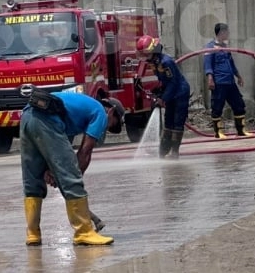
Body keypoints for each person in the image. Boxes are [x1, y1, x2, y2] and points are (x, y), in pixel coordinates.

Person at [20, 90, 126, 247]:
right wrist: (71, 179)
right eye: (112, 124)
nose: (106, 128)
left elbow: (57, 151)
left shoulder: (77, 108)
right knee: (71, 176)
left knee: (33, 177)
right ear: (111, 111)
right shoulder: (100, 112)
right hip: (47, 119)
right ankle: (84, 232)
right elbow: (85, 151)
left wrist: (53, 171)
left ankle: (33, 233)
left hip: (28, 116)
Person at [136, 35, 191, 158]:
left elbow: (173, 82)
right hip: (170, 92)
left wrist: (163, 99)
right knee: (168, 121)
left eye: (146, 54)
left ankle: (175, 152)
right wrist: (159, 92)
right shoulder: (154, 63)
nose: (145, 58)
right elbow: (165, 81)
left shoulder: (166, 62)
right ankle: (163, 151)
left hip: (180, 92)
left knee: (177, 121)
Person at [204, 23, 250, 138]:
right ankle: (218, 132)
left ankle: (241, 130)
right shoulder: (210, 47)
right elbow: (207, 64)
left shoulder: (226, 47)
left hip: (230, 82)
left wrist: (238, 76)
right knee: (217, 106)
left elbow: (231, 63)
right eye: (227, 32)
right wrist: (210, 78)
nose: (228, 34)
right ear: (221, 33)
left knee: (239, 104)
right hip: (219, 82)